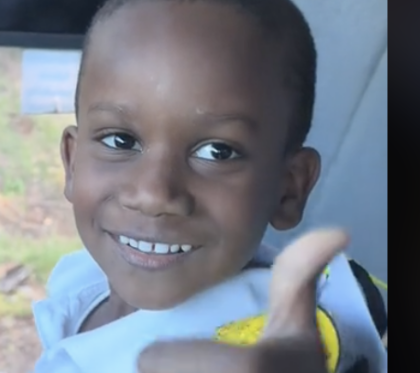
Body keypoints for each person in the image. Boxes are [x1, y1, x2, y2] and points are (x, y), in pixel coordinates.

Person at [31, 0, 387, 372]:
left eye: (218, 151)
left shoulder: (276, 350)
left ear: (289, 188)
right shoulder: (82, 278)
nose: (154, 194)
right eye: (120, 140)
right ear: (72, 163)